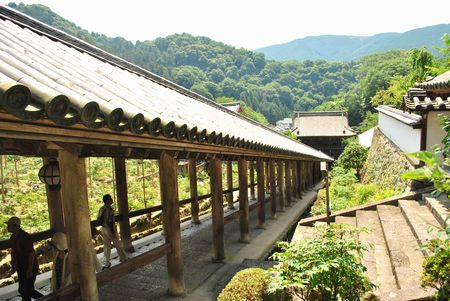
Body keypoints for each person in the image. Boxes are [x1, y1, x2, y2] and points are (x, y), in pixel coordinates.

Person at [5, 216, 43, 301]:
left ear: (15, 226)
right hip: (21, 267)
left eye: (9, 225)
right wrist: (14, 266)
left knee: (29, 290)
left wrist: (29, 269)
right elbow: (14, 252)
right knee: (23, 290)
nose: (7, 227)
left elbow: (31, 254)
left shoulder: (25, 237)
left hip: (30, 267)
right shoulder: (13, 237)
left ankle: (47, 299)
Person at [97, 194, 127, 269]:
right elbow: (110, 221)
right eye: (110, 199)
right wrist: (113, 232)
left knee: (107, 246)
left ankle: (106, 262)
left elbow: (98, 219)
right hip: (109, 229)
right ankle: (123, 258)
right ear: (107, 201)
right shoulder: (110, 210)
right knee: (117, 243)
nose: (112, 199)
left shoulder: (101, 208)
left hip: (103, 228)